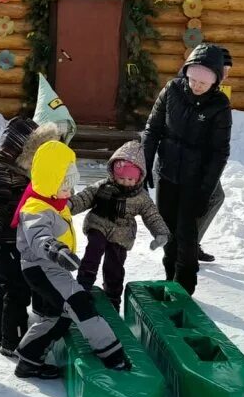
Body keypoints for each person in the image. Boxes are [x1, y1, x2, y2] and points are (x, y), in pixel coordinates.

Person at [12, 140, 129, 377]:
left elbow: (75, 203)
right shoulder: (35, 207)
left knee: (60, 315)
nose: (70, 191)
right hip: (42, 266)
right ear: (50, 180)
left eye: (71, 184)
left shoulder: (53, 200)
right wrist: (56, 250)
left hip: (51, 267)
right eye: (66, 185)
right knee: (79, 304)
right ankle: (112, 354)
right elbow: (38, 235)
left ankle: (28, 359)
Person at [142, 43, 231, 295]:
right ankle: (170, 279)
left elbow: (219, 152)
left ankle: (185, 287)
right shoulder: (172, 90)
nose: (197, 86)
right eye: (193, 79)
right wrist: (146, 165)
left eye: (203, 82)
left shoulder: (220, 105)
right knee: (167, 231)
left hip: (195, 179)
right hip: (167, 172)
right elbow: (152, 129)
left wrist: (206, 189)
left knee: (186, 235)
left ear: (214, 82)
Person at [0, 118, 60, 350]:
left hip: (13, 241)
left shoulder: (11, 167)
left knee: (4, 288)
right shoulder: (0, 171)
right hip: (6, 242)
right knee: (15, 292)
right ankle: (13, 341)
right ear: (21, 147)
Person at [69, 140, 170, 310]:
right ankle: (84, 283)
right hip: (98, 225)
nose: (125, 182)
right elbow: (85, 197)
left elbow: (152, 215)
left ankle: (113, 296)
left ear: (139, 177)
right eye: (121, 178)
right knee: (95, 248)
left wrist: (160, 233)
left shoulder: (141, 197)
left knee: (114, 266)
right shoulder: (103, 186)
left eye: (130, 179)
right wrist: (70, 205)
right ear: (113, 174)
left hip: (122, 235)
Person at [197, 46, 232, 262]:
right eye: (223, 69)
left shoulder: (218, 93)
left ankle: (191, 242)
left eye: (228, 70)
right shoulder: (199, 88)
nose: (226, 74)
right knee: (210, 197)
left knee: (214, 197)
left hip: (207, 159)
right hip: (192, 159)